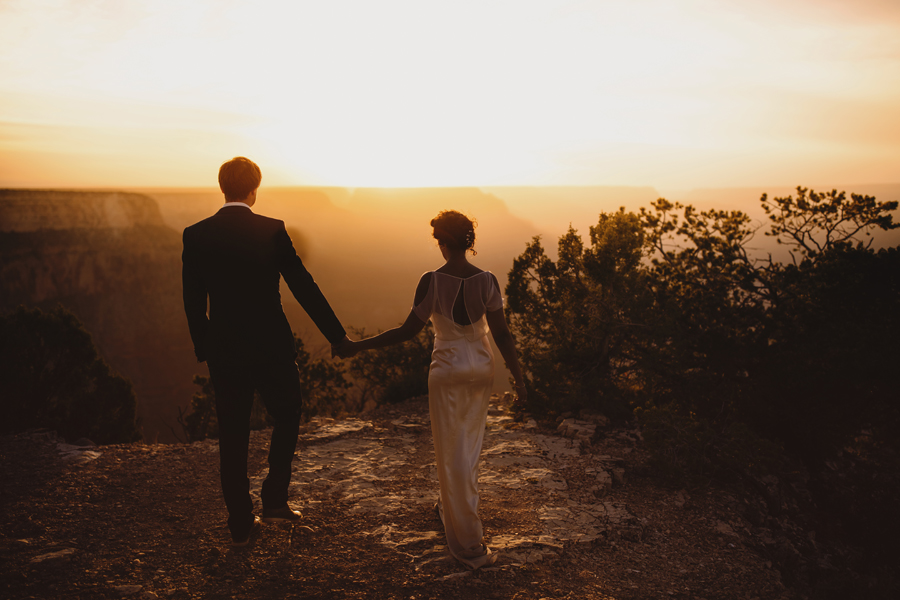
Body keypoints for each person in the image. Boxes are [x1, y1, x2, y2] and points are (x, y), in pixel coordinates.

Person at [333, 210, 527, 569]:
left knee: (449, 447)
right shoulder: (488, 280)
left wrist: (356, 346)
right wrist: (520, 378)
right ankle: (452, 505)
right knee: (469, 444)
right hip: (482, 367)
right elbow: (502, 334)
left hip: (448, 368)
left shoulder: (432, 281)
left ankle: (466, 534)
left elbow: (407, 331)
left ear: (444, 242)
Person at [182, 157, 350, 547]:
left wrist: (205, 348)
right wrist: (336, 336)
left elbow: (193, 302)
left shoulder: (196, 234)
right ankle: (275, 499)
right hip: (272, 345)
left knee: (233, 434)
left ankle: (240, 523)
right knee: (289, 413)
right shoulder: (272, 230)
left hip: (224, 349)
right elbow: (302, 286)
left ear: (222, 187)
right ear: (254, 189)